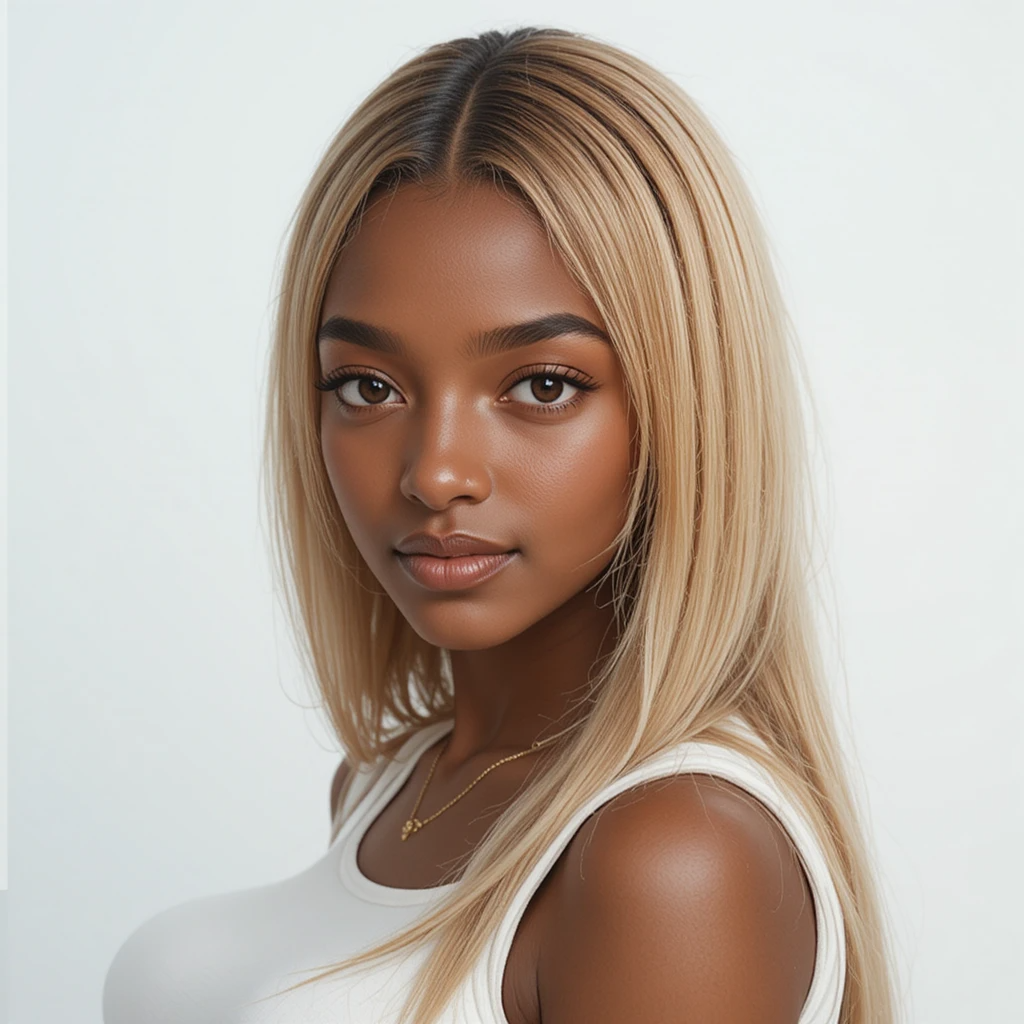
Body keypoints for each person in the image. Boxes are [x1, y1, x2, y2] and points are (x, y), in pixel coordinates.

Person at [102, 25, 897, 1024]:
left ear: (685, 406)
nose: (434, 470)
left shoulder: (672, 853)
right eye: (368, 383)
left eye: (543, 384)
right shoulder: (386, 784)